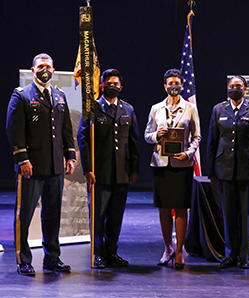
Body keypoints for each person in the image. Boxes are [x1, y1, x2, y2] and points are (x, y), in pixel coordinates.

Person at [6, 53, 76, 276]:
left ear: (53, 71)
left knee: (52, 214)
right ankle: (23, 260)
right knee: (24, 215)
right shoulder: (22, 95)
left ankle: (52, 258)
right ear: (33, 69)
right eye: (40, 66)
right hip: (31, 167)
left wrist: (70, 156)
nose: (44, 69)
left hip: (55, 166)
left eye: (48, 66)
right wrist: (22, 159)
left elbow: (66, 130)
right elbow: (14, 130)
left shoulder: (59, 96)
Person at [77, 68, 140, 268]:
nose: (112, 87)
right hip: (99, 173)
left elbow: (134, 141)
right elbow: (83, 140)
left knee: (115, 216)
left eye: (116, 84)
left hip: (121, 173)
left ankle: (112, 252)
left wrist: (134, 169)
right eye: (109, 83)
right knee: (98, 217)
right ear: (101, 85)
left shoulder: (128, 110)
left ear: (121, 87)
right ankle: (98, 254)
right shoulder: (92, 108)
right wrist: (87, 169)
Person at [207, 75, 249, 269]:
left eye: (238, 86)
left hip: (247, 171)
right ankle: (230, 255)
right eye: (232, 86)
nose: (235, 88)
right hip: (224, 170)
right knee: (229, 215)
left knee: (246, 215)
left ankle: (244, 256)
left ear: (245, 89)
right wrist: (211, 171)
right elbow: (212, 142)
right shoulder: (218, 110)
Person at [144, 69, 201, 270]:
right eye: (170, 83)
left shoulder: (190, 108)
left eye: (177, 82)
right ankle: (168, 247)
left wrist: (189, 153)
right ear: (165, 86)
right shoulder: (156, 108)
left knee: (181, 208)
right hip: (160, 164)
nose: (173, 85)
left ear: (182, 85)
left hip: (182, 164)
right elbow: (147, 135)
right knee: (164, 208)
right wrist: (156, 135)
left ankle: (179, 252)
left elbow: (196, 137)